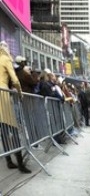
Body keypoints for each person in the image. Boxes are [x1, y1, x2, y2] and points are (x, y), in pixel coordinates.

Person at [0, 41, 30, 173]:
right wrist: (19, 92)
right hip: (3, 95)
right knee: (12, 129)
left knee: (4, 131)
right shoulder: (6, 59)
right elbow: (15, 80)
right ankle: (20, 164)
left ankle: (9, 161)